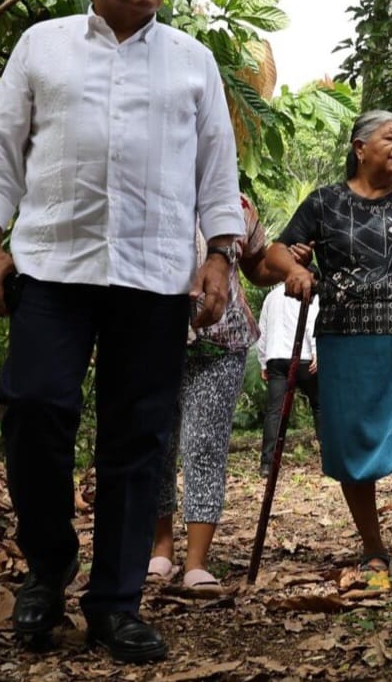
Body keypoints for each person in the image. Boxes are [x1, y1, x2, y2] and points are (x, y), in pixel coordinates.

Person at [0, 0, 243, 663]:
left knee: (138, 438)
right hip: (53, 267)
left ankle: (115, 604)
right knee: (33, 405)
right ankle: (49, 565)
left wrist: (219, 257)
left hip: (153, 278)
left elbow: (218, 171)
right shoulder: (42, 47)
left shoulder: (192, 62)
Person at [265, 110, 392, 588]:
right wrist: (294, 271)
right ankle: (372, 547)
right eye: (390, 137)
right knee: (348, 441)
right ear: (360, 148)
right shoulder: (324, 203)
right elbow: (278, 250)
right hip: (345, 341)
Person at [149, 196, 283, 589]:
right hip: (154, 336)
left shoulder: (234, 202)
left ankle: (196, 560)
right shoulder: (149, 188)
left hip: (221, 340)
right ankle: (161, 548)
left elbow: (257, 264)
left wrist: (287, 263)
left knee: (203, 444)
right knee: (159, 443)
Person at [257, 283, 322, 477]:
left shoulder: (272, 296)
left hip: (276, 357)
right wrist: (317, 351)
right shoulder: (308, 292)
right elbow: (313, 321)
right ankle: (328, 456)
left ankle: (267, 464)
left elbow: (263, 328)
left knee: (274, 411)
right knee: (319, 405)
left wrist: (263, 361)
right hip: (303, 356)